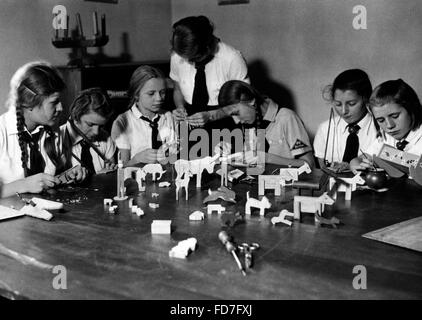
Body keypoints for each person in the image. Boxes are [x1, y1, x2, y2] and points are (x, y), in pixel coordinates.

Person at [0, 61, 87, 198]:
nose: (61, 108)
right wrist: (24, 184)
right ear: (29, 103)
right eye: (54, 102)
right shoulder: (1, 132)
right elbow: (30, 184)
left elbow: (44, 181)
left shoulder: (53, 131)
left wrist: (66, 176)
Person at [170, 15, 250, 128]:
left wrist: (212, 115)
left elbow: (244, 104)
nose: (187, 61)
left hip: (225, 122)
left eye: (193, 58)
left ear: (206, 48)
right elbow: (177, 89)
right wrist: (180, 107)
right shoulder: (177, 56)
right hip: (190, 121)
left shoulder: (232, 58)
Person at [217, 80, 315, 167]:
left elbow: (309, 164)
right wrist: (229, 151)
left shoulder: (287, 117)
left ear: (251, 101)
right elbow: (250, 161)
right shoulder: (249, 123)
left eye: (237, 113)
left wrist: (267, 158)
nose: (236, 120)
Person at [313, 69, 378, 172]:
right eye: (338, 104)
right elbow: (323, 170)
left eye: (351, 104)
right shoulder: (324, 129)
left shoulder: (381, 128)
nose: (343, 111)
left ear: (366, 98)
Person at [111, 65, 177, 166]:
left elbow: (174, 156)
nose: (159, 98)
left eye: (162, 92)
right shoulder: (123, 122)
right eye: (151, 93)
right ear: (136, 94)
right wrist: (137, 159)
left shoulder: (168, 117)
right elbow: (121, 168)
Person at [350, 79, 422, 171]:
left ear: (412, 109)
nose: (389, 126)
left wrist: (386, 155)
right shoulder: (386, 136)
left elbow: (418, 166)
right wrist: (356, 163)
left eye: (395, 116)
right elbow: (365, 156)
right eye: (381, 120)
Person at [60, 88, 117, 175]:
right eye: (90, 124)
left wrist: (109, 174)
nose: (96, 132)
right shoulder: (55, 140)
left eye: (101, 126)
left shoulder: (105, 137)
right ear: (76, 116)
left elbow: (111, 171)